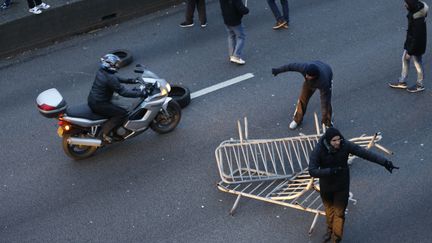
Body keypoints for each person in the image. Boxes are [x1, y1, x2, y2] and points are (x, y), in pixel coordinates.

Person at [309, 127, 399, 243]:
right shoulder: (319, 150)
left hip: (342, 185)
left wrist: (384, 162)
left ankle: (336, 238)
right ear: (328, 141)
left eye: (339, 139)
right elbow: (312, 170)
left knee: (339, 213)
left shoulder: (345, 145)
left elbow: (365, 154)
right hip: (327, 187)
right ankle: (330, 230)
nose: (338, 142)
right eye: (334, 141)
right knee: (329, 211)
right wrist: (330, 171)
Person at [88, 54, 148, 143]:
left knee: (117, 104)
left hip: (94, 100)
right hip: (100, 104)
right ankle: (104, 134)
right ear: (110, 65)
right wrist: (140, 93)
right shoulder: (109, 78)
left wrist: (132, 80)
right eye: (115, 64)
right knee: (122, 113)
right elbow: (123, 92)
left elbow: (116, 78)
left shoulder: (102, 71)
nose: (117, 66)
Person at [272, 61, 333, 130]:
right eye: (306, 74)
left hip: (327, 73)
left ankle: (327, 123)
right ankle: (297, 119)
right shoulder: (304, 67)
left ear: (314, 76)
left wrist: (324, 116)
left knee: (326, 104)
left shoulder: (323, 82)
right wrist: (277, 70)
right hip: (310, 80)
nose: (306, 76)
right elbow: (290, 66)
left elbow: (324, 102)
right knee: (303, 98)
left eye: (308, 76)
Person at [389, 0, 428, 93]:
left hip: (417, 45)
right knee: (405, 59)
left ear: (411, 5)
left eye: (406, 3)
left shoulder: (417, 19)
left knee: (417, 63)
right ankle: (402, 81)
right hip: (413, 43)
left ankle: (420, 84)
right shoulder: (416, 11)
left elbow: (416, 36)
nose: (404, 5)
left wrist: (410, 52)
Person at [219, 0, 249, 65]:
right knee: (241, 37)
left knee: (231, 36)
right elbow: (242, 10)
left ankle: (231, 54)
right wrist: (246, 10)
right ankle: (236, 56)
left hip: (226, 20)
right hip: (235, 21)